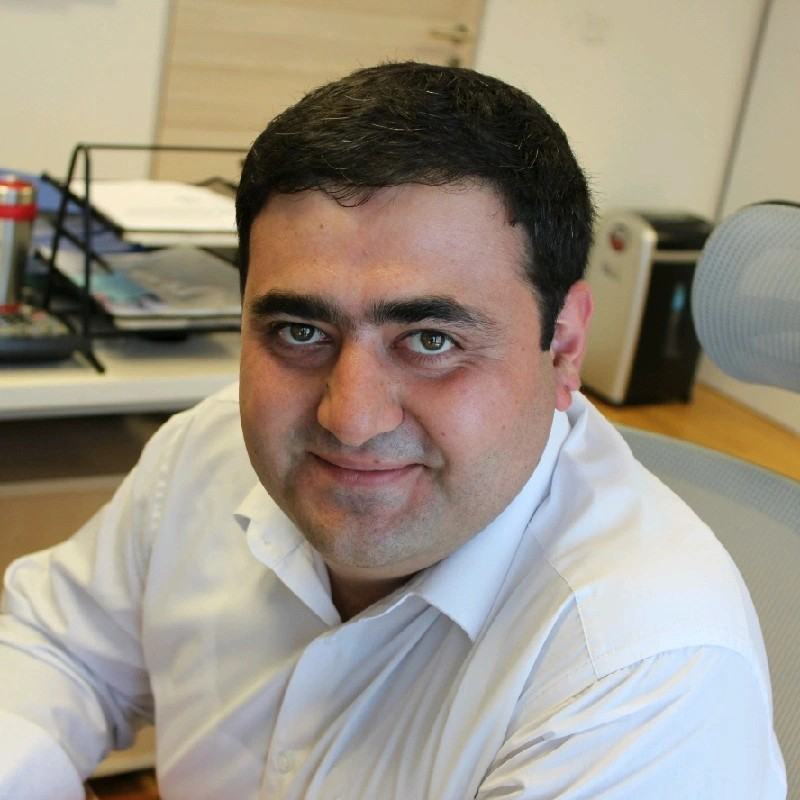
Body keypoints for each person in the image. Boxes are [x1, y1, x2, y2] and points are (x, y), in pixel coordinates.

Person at [0, 62, 786, 799]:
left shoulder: (641, 672)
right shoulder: (207, 451)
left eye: (431, 340)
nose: (349, 419)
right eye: (300, 332)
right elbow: (55, 650)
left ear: (565, 345)